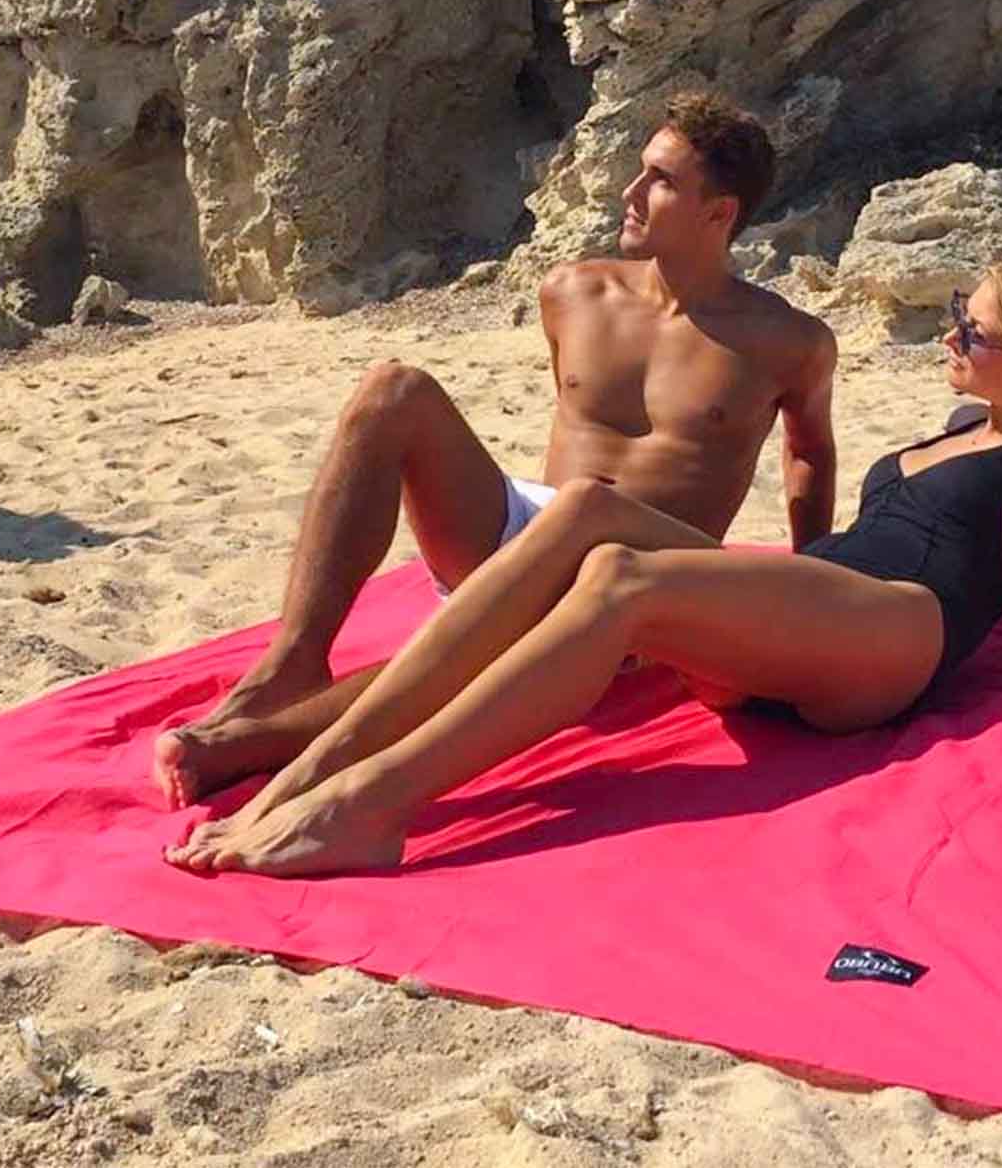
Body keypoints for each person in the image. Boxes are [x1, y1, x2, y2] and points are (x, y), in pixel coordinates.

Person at [164, 251, 1002, 879]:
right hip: (830, 606)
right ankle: (308, 767)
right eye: (957, 316)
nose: (951, 336)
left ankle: (371, 806)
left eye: (974, 331)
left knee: (622, 582)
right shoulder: (965, 422)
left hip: (897, 634)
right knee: (587, 511)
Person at [154, 92, 838, 807]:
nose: (630, 192)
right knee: (393, 391)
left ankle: (247, 748)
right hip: (534, 535)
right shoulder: (572, 291)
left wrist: (815, 578)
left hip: (645, 573)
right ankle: (293, 662)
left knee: (508, 629)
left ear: (719, 213)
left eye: (661, 181)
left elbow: (810, 454)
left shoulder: (788, 341)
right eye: (640, 171)